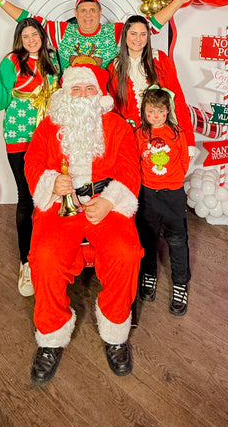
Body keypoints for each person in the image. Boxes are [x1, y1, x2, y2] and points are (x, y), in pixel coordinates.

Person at [24, 65, 142, 384]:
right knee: (45, 257)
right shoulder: (50, 126)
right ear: (65, 94)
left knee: (126, 253)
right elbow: (32, 162)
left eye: (89, 89)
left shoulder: (116, 126)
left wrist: (108, 201)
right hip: (62, 206)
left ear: (99, 94)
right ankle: (50, 337)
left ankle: (116, 331)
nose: (83, 95)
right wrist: (51, 181)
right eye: (76, 89)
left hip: (106, 202)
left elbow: (131, 169)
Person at [0, 17, 60, 297]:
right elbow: (2, 101)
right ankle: (26, 262)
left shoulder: (53, 59)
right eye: (25, 35)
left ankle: (50, 256)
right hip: (19, 136)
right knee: (26, 196)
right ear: (19, 39)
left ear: (42, 36)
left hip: (49, 137)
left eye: (34, 34)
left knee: (50, 195)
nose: (31, 39)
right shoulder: (11, 62)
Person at [0, 0, 199, 70]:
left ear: (100, 12)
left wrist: (179, 0)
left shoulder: (114, 31)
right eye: (83, 11)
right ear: (75, 12)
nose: (87, 15)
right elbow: (27, 19)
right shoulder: (62, 31)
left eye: (92, 10)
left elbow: (150, 25)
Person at [134, 87, 191, 316]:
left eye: (160, 111)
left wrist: (173, 180)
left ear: (168, 111)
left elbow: (184, 160)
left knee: (177, 240)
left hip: (173, 194)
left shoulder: (177, 133)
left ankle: (180, 282)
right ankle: (149, 274)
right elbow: (135, 160)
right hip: (148, 193)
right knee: (147, 237)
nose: (155, 116)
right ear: (144, 112)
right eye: (150, 112)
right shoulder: (138, 134)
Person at [107, 15, 196, 157]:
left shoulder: (160, 59)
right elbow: (116, 110)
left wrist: (189, 142)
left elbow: (177, 99)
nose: (138, 39)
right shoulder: (115, 67)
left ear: (148, 37)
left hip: (163, 137)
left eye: (143, 34)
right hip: (131, 140)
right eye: (133, 33)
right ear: (125, 35)